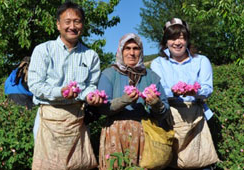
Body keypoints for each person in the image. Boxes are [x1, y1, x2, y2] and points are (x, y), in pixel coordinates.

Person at [28, 1, 103, 169]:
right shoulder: (43, 50)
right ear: (58, 24)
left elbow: (91, 85)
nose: (72, 26)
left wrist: (91, 96)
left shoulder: (91, 56)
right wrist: (60, 92)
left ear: (82, 25)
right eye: (67, 21)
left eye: (77, 21)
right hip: (49, 117)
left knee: (79, 164)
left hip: (76, 120)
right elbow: (35, 85)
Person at [151, 18, 218, 170]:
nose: (177, 42)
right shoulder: (158, 63)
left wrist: (195, 92)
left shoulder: (201, 61)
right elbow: (160, 90)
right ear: (165, 41)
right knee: (171, 162)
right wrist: (174, 91)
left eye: (182, 37)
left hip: (196, 116)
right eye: (172, 38)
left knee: (200, 160)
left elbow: (208, 88)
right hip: (170, 115)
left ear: (187, 40)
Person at [97, 33, 169, 169]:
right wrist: (124, 100)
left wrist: (156, 103)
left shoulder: (151, 76)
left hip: (144, 134)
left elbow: (164, 112)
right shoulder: (109, 74)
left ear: (141, 52)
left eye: (136, 48)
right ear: (120, 51)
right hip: (115, 134)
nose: (131, 53)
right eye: (127, 48)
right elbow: (102, 109)